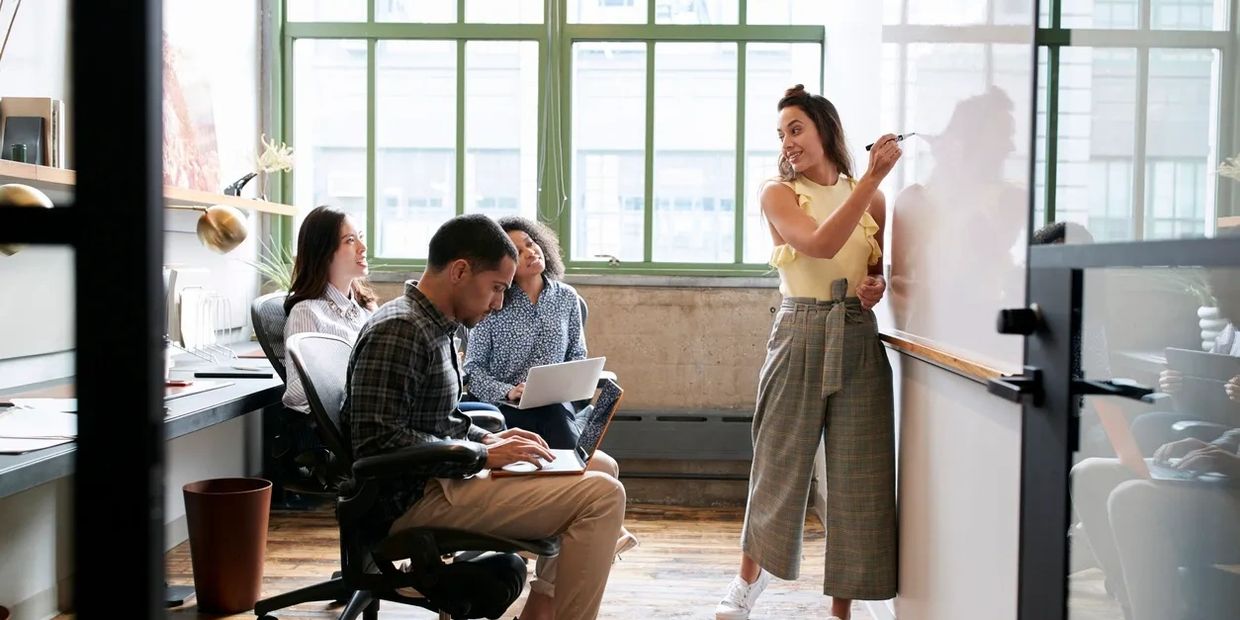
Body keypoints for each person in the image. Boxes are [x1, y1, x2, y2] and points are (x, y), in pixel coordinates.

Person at [342, 214, 627, 620]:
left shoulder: (434, 326)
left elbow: (438, 422)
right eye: (496, 288)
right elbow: (376, 445)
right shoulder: (401, 330)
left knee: (598, 467)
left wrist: (490, 439)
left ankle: (541, 608)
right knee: (602, 496)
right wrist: (481, 454)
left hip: (440, 479)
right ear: (460, 271)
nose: (498, 303)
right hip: (414, 499)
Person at [715, 84, 900, 620]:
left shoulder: (873, 200)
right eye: (781, 134)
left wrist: (875, 286)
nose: (787, 142)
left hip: (857, 332)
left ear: (825, 130)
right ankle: (747, 580)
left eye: (795, 129)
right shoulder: (779, 193)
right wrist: (872, 179)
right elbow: (819, 244)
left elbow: (871, 272)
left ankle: (843, 607)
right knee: (778, 461)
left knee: (859, 475)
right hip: (799, 328)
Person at [463, 216, 587, 449]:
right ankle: (572, 464)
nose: (530, 252)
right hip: (505, 406)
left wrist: (562, 386)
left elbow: (577, 356)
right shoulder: (491, 302)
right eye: (518, 252)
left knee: (555, 411)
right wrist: (509, 391)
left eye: (530, 243)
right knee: (555, 422)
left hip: (555, 403)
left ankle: (569, 465)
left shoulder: (567, 297)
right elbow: (473, 369)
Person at [282, 205, 378, 413]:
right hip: (354, 423)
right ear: (324, 252)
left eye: (360, 237)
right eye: (350, 240)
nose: (363, 247)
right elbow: (297, 392)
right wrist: (358, 376)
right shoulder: (307, 312)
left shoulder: (367, 308)